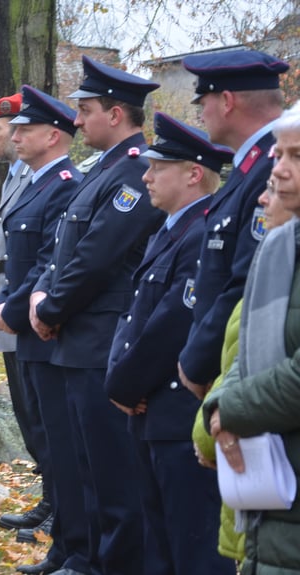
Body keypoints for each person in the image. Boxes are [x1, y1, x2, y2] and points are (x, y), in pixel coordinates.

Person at [30, 55, 164, 575]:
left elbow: (99, 256)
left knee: (112, 474)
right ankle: (84, 557)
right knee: (83, 466)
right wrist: (41, 298)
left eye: (85, 110)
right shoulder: (102, 170)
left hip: (100, 339)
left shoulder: (135, 171)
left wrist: (53, 307)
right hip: (74, 338)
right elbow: (66, 248)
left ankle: (110, 564)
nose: (77, 120)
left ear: (115, 114)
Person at [104, 112, 236, 575]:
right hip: (151, 413)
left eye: (157, 168)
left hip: (178, 414)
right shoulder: (171, 229)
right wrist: (120, 379)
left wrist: (124, 383)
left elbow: (173, 323)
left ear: (193, 173)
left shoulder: (201, 233)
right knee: (159, 544)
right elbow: (134, 312)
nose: (145, 177)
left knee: (193, 546)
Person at [202, 100, 300, 574]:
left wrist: (230, 409)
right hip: (276, 506)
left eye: (294, 157)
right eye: (278, 155)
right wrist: (220, 408)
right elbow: (248, 350)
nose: (278, 172)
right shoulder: (281, 246)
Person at [0, 85, 86, 575]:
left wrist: (14, 306)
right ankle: (61, 530)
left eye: (26, 129)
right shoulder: (33, 181)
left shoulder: (65, 182)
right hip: (24, 323)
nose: (17, 135)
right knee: (40, 424)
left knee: (58, 435)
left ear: (53, 135)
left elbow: (53, 258)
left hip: (41, 325)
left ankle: (66, 533)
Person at [177, 51, 288, 401]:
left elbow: (248, 281)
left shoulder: (273, 169)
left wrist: (198, 361)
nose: (200, 112)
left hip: (247, 374)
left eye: (202, 100)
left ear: (226, 101)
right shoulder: (251, 167)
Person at [0, 92, 45, 532]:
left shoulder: (39, 178)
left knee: (40, 411)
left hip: (27, 309)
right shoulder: (12, 177)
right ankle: (51, 498)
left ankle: (58, 503)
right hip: (11, 307)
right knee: (26, 410)